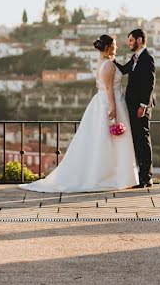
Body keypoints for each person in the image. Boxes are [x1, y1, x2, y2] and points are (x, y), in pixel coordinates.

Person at [18, 34, 139, 193]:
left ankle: (113, 176)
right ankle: (113, 177)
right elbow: (109, 88)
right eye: (114, 45)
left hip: (103, 102)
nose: (116, 47)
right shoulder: (109, 65)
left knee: (103, 141)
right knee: (113, 141)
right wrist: (113, 108)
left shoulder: (102, 62)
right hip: (111, 102)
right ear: (108, 46)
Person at [115, 28, 156, 187]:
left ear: (139, 40)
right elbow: (124, 70)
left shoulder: (148, 58)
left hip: (141, 107)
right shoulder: (135, 58)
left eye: (131, 40)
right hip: (131, 106)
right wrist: (111, 60)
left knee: (143, 141)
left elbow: (149, 84)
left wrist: (143, 106)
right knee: (137, 141)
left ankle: (147, 177)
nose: (129, 43)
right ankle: (141, 176)